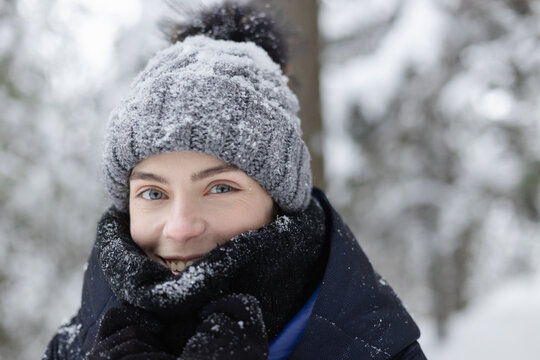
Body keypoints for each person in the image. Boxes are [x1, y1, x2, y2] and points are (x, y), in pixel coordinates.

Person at [43, 2, 426, 359]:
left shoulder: (379, 347)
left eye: (220, 187)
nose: (180, 227)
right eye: (154, 192)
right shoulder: (72, 347)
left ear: (279, 201)